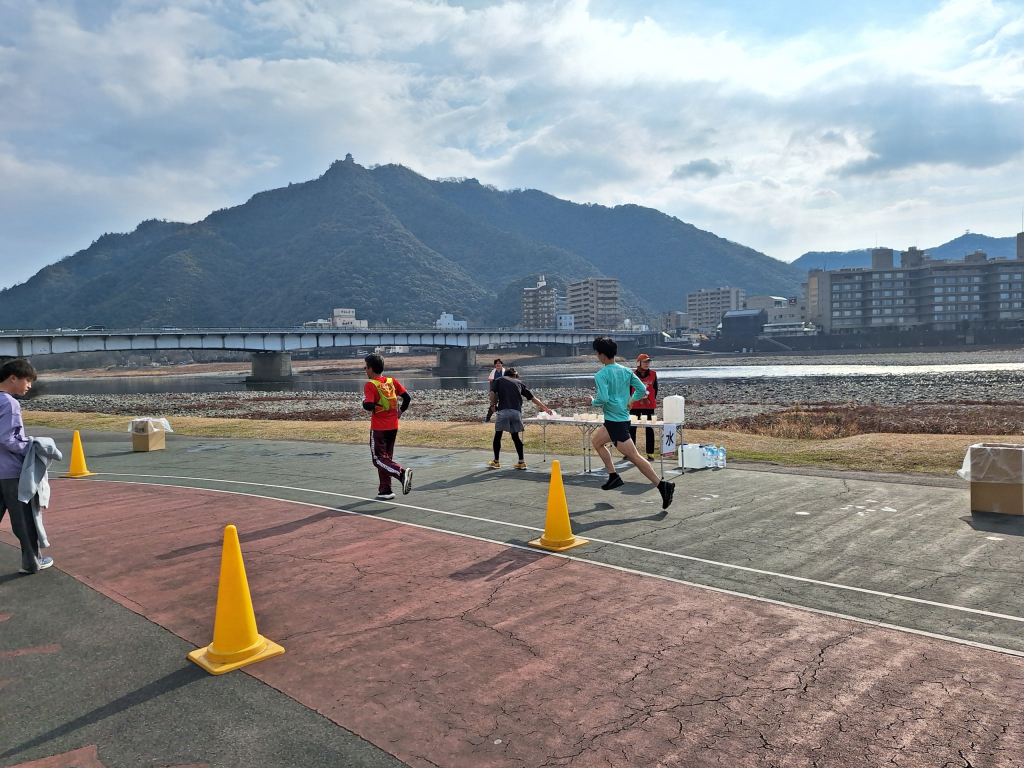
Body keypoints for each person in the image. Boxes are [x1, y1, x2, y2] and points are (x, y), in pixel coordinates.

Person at [589, 337, 675, 510]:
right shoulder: (626, 371)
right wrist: (630, 401)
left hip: (616, 422)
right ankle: (613, 476)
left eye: (597, 353)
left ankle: (662, 485)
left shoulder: (601, 375)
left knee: (634, 457)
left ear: (602, 355)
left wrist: (592, 401)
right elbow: (643, 389)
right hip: (618, 419)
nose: (597, 356)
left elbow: (603, 398)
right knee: (597, 442)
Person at [0, 359, 52, 574]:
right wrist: (31, 447)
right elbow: (8, 439)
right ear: (13, 378)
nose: (29, 385)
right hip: (11, 472)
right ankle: (31, 563)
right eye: (27, 380)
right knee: (24, 519)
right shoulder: (9, 403)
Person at [362, 353, 412, 501]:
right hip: (393, 426)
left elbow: (368, 405)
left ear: (370, 369)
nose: (365, 369)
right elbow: (407, 397)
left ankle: (401, 473)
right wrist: (400, 411)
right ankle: (385, 490)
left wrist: (364, 401)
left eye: (365, 367)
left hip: (379, 428)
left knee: (378, 459)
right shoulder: (392, 381)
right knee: (386, 459)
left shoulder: (370, 385)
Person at [488, 367, 552, 469]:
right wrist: (545, 408)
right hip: (516, 412)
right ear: (515, 375)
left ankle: (496, 461)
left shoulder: (499, 380)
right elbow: (532, 398)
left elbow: (492, 393)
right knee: (515, 437)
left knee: (498, 435)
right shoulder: (519, 383)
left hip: (503, 411)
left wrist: (492, 405)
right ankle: (521, 462)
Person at [629, 353, 659, 460]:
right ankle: (630, 453)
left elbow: (655, 389)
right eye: (645, 362)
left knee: (649, 429)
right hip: (635, 405)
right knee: (631, 429)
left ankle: (650, 453)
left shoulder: (653, 374)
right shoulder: (632, 375)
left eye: (648, 362)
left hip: (649, 405)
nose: (647, 364)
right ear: (639, 363)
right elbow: (629, 389)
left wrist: (651, 399)